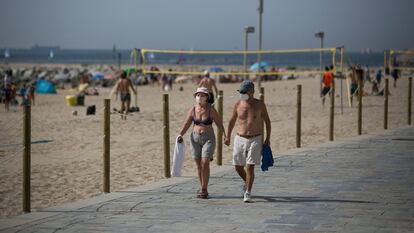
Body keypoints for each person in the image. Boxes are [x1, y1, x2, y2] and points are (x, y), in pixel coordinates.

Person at [224, 80, 271, 203]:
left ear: (252, 92)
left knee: (250, 167)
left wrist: (268, 138)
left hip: (255, 138)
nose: (242, 94)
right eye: (241, 92)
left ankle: (248, 192)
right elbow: (231, 120)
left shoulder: (260, 104)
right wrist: (227, 136)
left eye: (245, 92)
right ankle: (247, 181)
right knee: (238, 167)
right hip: (240, 138)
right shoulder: (238, 104)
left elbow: (267, 121)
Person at [177, 87, 226, 199]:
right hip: (194, 139)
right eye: (198, 95)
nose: (200, 97)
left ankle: (204, 188)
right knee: (199, 165)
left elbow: (219, 123)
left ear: (207, 97)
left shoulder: (211, 110)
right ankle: (202, 187)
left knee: (205, 162)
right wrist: (180, 135)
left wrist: (225, 136)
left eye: (202, 95)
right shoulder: (193, 110)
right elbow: (187, 123)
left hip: (208, 138)